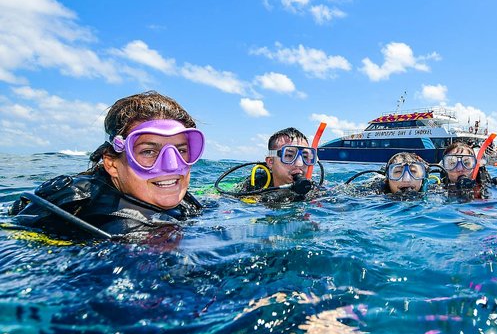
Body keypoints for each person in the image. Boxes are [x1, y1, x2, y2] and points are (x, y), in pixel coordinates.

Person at [9, 91, 205, 240]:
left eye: (181, 150)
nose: (172, 165)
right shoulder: (125, 232)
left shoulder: (145, 194)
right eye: (148, 151)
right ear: (111, 164)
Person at [215, 127, 319, 203]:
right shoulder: (255, 186)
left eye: (305, 156)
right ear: (270, 161)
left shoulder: (314, 191)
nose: (300, 163)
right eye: (289, 155)